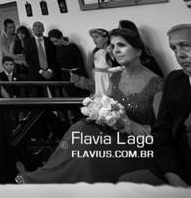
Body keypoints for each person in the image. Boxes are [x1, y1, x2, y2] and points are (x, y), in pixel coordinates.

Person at [17, 26, 163, 184]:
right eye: (113, 47)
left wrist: (129, 124)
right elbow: (107, 103)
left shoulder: (156, 83)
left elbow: (161, 131)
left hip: (136, 142)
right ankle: (47, 177)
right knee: (78, 129)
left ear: (138, 51)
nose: (116, 51)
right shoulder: (116, 77)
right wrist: (100, 111)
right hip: (113, 131)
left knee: (87, 150)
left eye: (122, 45)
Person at [119, 23, 191, 186]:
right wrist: (173, 175)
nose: (179, 55)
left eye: (185, 45)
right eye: (173, 48)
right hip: (183, 167)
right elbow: (162, 133)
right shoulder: (175, 80)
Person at [47, 28, 87, 96]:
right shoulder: (57, 48)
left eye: (56, 41)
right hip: (64, 75)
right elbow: (57, 63)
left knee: (78, 93)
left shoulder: (72, 47)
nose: (55, 44)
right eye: (53, 42)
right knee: (68, 94)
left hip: (76, 74)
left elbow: (80, 63)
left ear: (61, 37)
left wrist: (82, 76)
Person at [24, 21, 58, 94]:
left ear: (43, 29)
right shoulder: (28, 42)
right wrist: (41, 71)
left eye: (39, 26)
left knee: (54, 95)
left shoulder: (49, 40)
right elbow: (28, 60)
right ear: (33, 29)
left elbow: (54, 57)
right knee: (38, 95)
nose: (37, 27)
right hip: (36, 73)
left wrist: (49, 71)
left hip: (50, 73)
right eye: (35, 26)